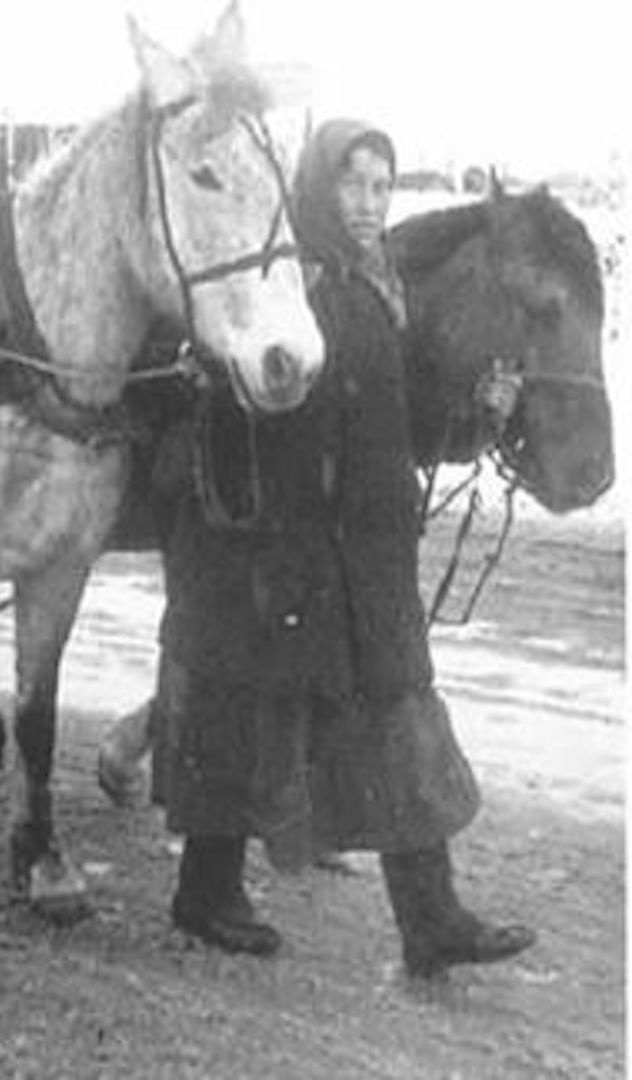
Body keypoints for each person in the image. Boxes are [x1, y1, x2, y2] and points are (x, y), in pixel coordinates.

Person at [149, 118, 535, 979]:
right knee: (258, 719)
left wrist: (476, 417)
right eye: (352, 184)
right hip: (288, 555)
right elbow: (264, 403)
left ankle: (429, 920)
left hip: (365, 557)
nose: (368, 204)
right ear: (319, 189)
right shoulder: (291, 283)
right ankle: (208, 894)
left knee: (397, 722)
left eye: (381, 186)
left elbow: (394, 430)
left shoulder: (376, 284)